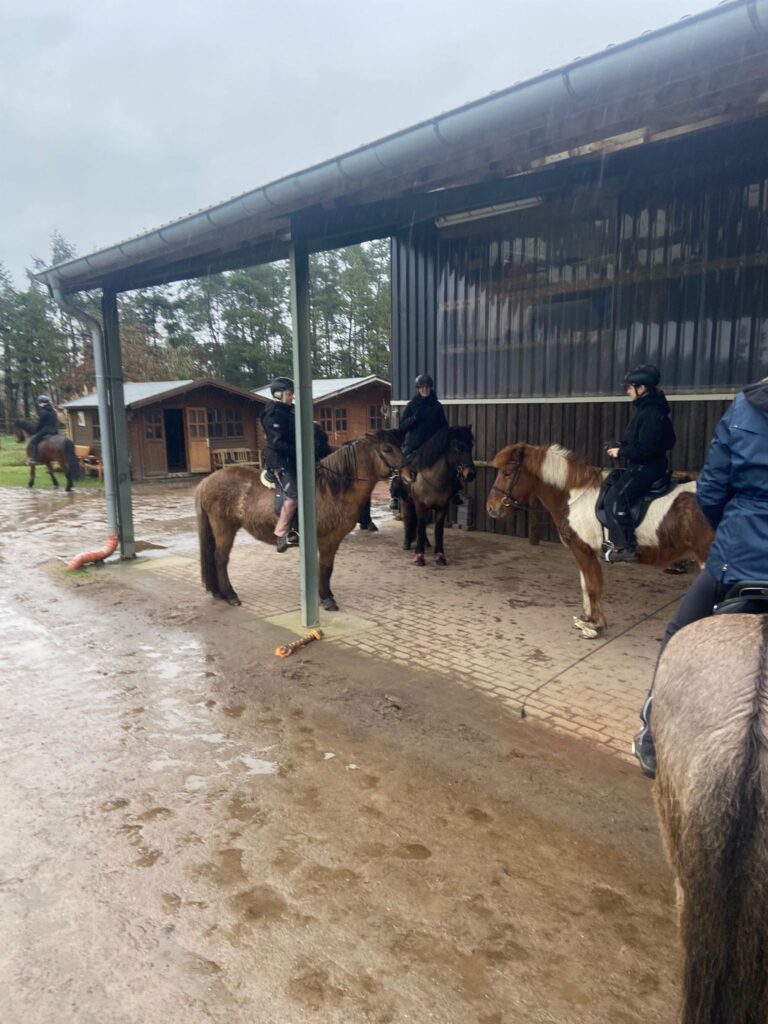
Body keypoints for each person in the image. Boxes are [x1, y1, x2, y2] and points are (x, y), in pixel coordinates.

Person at [633, 375, 768, 777]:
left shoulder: (745, 407)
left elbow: (710, 492)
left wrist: (734, 531)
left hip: (738, 560)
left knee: (678, 633)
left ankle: (652, 736)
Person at [602, 364, 676, 563]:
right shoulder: (648, 410)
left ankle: (625, 546)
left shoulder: (652, 414)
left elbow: (647, 449)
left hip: (647, 467)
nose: (627, 391)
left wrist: (621, 452)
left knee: (615, 498)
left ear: (642, 388)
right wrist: (622, 445)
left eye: (630, 387)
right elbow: (649, 442)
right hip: (646, 464)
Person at [389, 373, 448, 510]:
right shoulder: (412, 405)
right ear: (418, 389)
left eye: (427, 387)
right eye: (422, 388)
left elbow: (444, 426)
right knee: (402, 463)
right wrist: (414, 418)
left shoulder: (437, 406)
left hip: (432, 445)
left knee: (450, 460)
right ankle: (395, 495)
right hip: (414, 444)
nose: (424, 390)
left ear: (430, 388)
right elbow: (402, 426)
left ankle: (455, 491)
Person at [261, 377, 299, 553]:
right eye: (289, 394)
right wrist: (300, 451)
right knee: (293, 495)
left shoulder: (289, 412)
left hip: (292, 459)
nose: (292, 397)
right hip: (279, 461)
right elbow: (277, 443)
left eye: (292, 394)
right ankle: (281, 535)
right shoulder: (273, 415)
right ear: (279, 394)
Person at [27, 394, 60, 464]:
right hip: (55, 430)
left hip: (46, 430)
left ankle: (34, 458)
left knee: (33, 441)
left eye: (39, 403)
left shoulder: (43, 412)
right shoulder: (53, 411)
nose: (38, 404)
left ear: (42, 403)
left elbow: (40, 424)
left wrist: (36, 431)